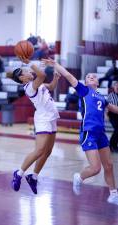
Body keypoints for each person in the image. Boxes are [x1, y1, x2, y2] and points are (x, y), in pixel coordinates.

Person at [43, 58, 118, 205]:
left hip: (101, 134)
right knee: (96, 168)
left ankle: (114, 194)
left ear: (97, 82)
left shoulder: (102, 98)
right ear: (86, 81)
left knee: (109, 165)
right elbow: (69, 76)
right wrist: (55, 65)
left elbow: (115, 109)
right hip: (88, 132)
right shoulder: (84, 91)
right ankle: (79, 177)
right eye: (88, 76)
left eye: (93, 76)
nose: (92, 77)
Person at [10, 58, 60, 194]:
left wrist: (56, 77)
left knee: (47, 152)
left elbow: (51, 87)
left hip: (52, 117)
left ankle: (34, 176)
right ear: (22, 78)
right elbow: (42, 75)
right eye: (26, 71)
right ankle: (19, 173)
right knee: (39, 150)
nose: (29, 71)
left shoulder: (37, 84)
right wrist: (28, 61)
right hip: (43, 119)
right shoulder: (30, 87)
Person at [108, 81, 118, 152]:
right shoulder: (111, 95)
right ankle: (112, 145)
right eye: (116, 86)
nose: (117, 87)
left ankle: (113, 145)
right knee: (117, 129)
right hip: (113, 115)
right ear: (114, 87)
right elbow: (112, 107)